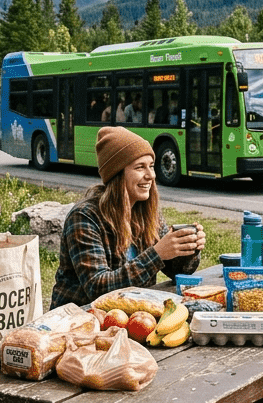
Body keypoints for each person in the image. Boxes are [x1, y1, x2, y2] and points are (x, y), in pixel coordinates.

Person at [50, 127, 206, 308]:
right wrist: (157, 254)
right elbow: (98, 288)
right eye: (140, 167)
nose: (151, 175)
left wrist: (188, 249)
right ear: (117, 173)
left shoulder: (145, 212)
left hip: (131, 316)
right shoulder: (85, 217)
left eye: (151, 166)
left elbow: (179, 272)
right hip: (77, 320)